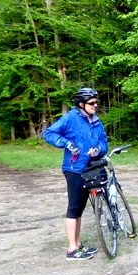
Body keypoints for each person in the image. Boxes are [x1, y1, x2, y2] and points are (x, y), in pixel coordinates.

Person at [43, 87, 109, 261]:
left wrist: (98, 149)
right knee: (73, 208)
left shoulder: (95, 120)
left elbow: (103, 141)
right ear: (81, 104)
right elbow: (49, 133)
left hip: (90, 168)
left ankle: (78, 244)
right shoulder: (71, 118)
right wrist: (67, 144)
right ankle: (71, 250)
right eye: (91, 103)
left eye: (96, 102)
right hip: (74, 169)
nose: (95, 105)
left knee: (80, 208)